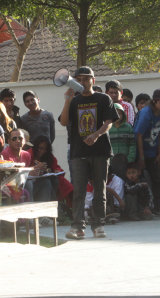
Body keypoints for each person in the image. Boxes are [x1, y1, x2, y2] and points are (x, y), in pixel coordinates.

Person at [60, 66, 119, 240]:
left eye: (86, 79)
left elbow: (109, 122)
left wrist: (96, 134)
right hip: (78, 152)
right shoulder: (74, 101)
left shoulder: (103, 98)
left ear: (93, 80)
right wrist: (67, 100)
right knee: (78, 191)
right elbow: (64, 121)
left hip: (100, 151)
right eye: (79, 79)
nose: (83, 82)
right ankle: (78, 227)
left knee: (99, 190)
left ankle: (98, 225)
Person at [134, 88, 160, 216]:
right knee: (140, 178)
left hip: (153, 150)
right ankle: (141, 208)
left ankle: (159, 206)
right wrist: (141, 157)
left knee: (158, 179)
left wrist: (159, 153)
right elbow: (138, 134)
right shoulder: (146, 113)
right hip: (141, 150)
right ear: (155, 101)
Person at [27, 135, 73, 206]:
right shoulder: (28, 154)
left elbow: (56, 167)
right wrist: (35, 168)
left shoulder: (49, 156)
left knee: (54, 180)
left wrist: (55, 170)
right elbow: (24, 170)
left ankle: (53, 206)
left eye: (45, 149)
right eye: (40, 148)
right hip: (31, 183)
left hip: (44, 181)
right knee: (47, 182)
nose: (41, 151)